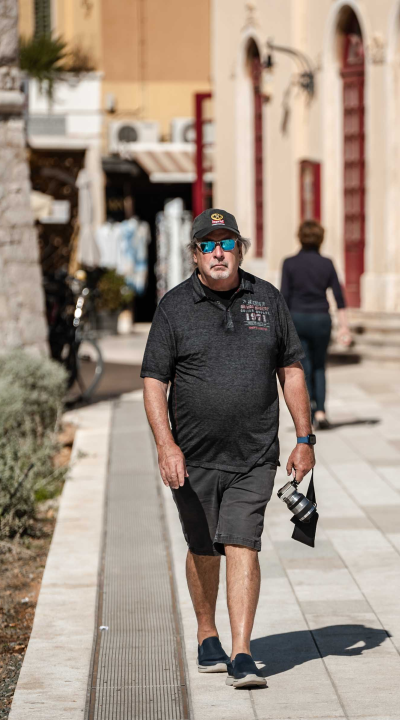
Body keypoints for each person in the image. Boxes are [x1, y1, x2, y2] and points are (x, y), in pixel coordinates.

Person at [140, 208, 316, 689]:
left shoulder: (268, 299)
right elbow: (155, 381)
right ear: (195, 254)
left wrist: (304, 437)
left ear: (241, 248)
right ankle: (206, 632)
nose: (219, 252)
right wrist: (165, 445)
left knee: (242, 540)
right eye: (208, 244)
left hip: (254, 453)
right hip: (192, 457)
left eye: (227, 242)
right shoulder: (174, 307)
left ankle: (242, 651)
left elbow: (292, 370)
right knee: (203, 547)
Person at [280, 220, 352, 429]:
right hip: (321, 319)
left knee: (304, 367)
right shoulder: (327, 263)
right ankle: (321, 412)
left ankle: (308, 411)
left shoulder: (289, 263)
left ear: (300, 238)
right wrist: (344, 327)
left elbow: (284, 297)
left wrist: (280, 328)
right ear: (321, 239)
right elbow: (339, 297)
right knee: (320, 366)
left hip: (298, 319)